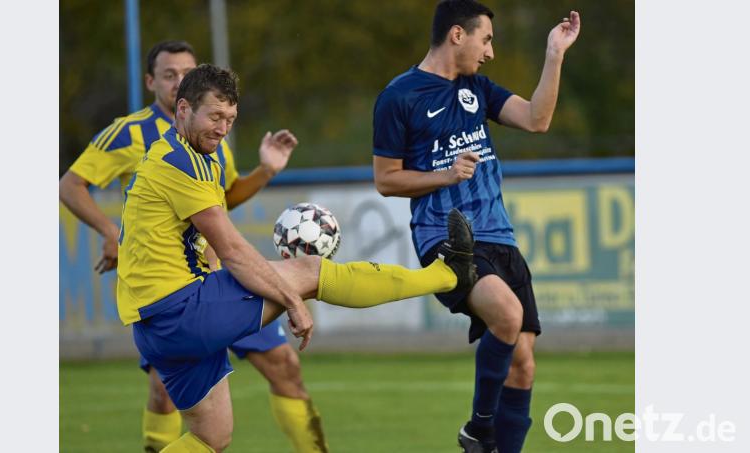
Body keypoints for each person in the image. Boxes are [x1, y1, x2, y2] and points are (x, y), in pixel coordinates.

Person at [118, 63, 478, 452]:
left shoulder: (191, 154)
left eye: (230, 119)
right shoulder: (178, 162)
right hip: (179, 311)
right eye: (215, 116)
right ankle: (448, 275)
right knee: (310, 271)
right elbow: (233, 250)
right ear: (183, 109)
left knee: (212, 437)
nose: (223, 128)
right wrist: (293, 299)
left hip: (158, 324)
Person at [59, 41, 328, 453]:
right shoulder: (130, 132)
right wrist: (110, 232)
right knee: (166, 395)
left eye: (186, 72)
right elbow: (70, 186)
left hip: (224, 277)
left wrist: (267, 170)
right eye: (169, 74)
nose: (178, 80)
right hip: (174, 294)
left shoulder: (212, 132)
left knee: (284, 367)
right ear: (151, 82)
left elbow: (225, 198)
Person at [371, 1, 581, 452]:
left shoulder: (477, 89)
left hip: (500, 236)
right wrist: (446, 175)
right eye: (486, 39)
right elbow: (386, 180)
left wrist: (555, 54)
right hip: (447, 236)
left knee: (522, 365)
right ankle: (480, 428)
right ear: (457, 35)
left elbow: (537, 120)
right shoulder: (399, 97)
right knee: (508, 314)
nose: (490, 52)